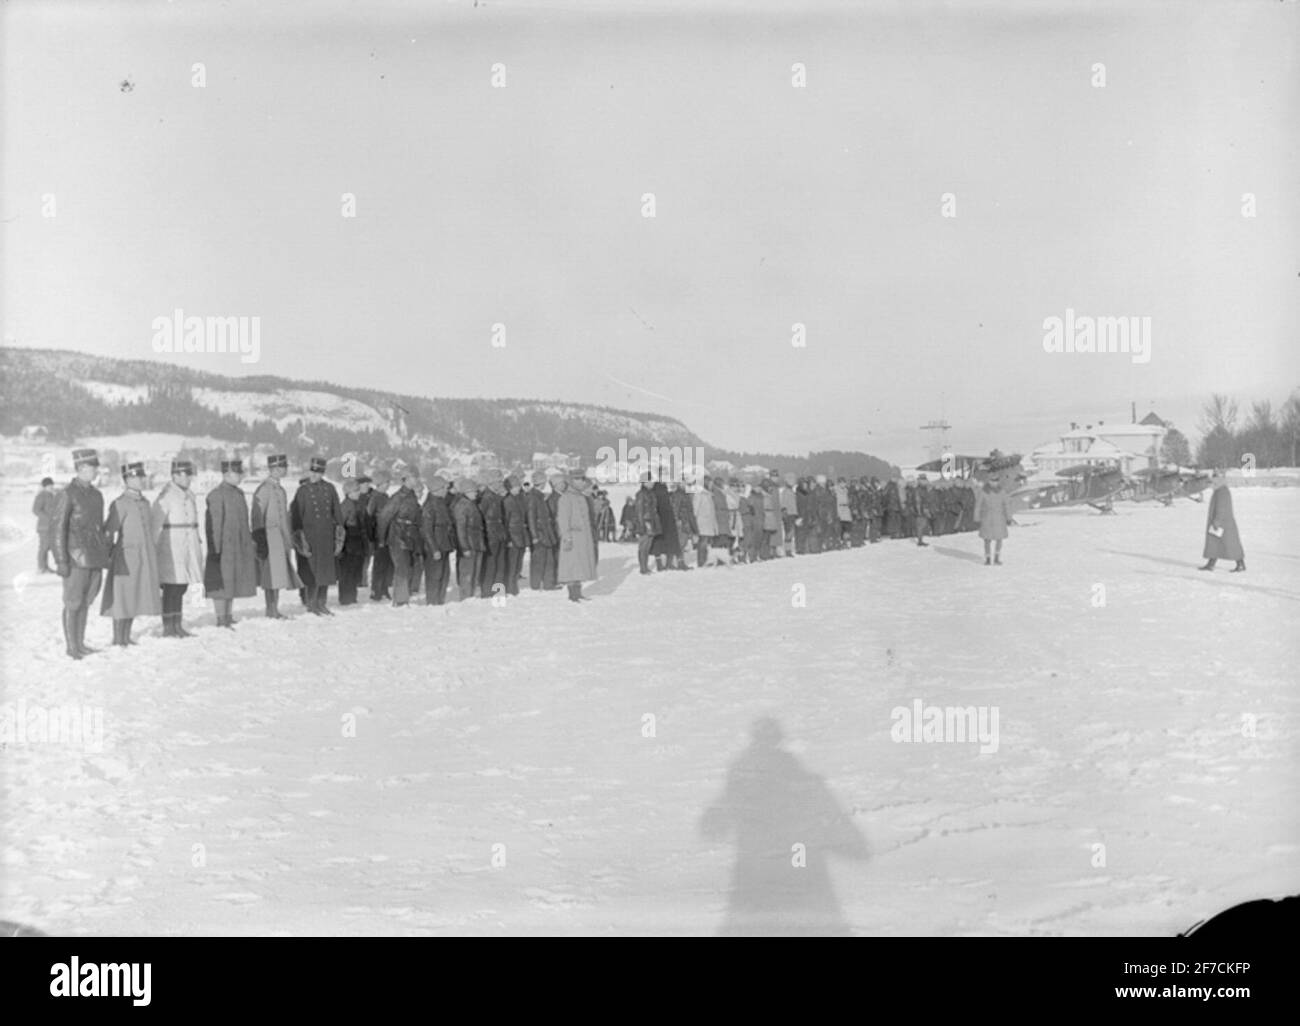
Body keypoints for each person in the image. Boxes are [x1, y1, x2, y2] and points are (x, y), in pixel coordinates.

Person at [53, 449, 110, 659]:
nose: (95, 471)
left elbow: (98, 529)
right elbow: (57, 529)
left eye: (95, 468)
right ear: (81, 468)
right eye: (92, 468)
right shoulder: (67, 494)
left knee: (86, 602)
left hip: (94, 558)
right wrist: (61, 560)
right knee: (73, 602)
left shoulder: (97, 495)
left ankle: (81, 643)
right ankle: (71, 647)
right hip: (75, 558)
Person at [101, 461, 162, 647]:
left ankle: (126, 636)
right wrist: (110, 555)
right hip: (125, 558)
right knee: (122, 598)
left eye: (141, 477)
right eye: (136, 477)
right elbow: (108, 531)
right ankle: (118, 638)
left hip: (144, 557)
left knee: (134, 595)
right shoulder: (120, 503)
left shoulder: (144, 502)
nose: (141, 480)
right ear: (127, 480)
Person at [204, 458, 258, 626]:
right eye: (237, 473)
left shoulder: (238, 493)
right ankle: (221, 617)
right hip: (223, 547)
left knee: (232, 579)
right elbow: (214, 524)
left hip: (238, 545)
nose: (241, 476)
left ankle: (228, 615)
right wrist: (216, 549)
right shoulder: (216, 495)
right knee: (221, 582)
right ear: (227, 474)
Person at [153, 458, 203, 637]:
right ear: (174, 476)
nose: (188, 478)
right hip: (171, 547)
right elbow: (154, 525)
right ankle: (168, 626)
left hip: (189, 545)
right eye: (185, 475)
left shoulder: (189, 495)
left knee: (182, 586)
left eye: (190, 475)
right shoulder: (166, 496)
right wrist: (153, 549)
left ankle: (177, 624)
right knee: (171, 587)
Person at [291, 455, 343, 615]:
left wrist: (339, 534)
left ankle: (322, 603)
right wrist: (300, 539)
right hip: (310, 537)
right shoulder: (302, 491)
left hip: (326, 537)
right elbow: (296, 517)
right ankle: (311, 603)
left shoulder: (330, 489)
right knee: (311, 572)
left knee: (326, 572)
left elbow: (337, 514)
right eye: (312, 471)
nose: (314, 475)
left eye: (318, 472)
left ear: (323, 473)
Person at [251, 453, 301, 620]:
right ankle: (270, 609)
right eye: (276, 469)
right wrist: (260, 540)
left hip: (281, 537)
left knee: (279, 575)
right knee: (270, 576)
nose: (280, 471)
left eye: (282, 468)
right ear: (271, 469)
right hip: (269, 536)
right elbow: (257, 517)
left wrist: (288, 538)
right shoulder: (264, 489)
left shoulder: (280, 489)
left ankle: (275, 608)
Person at [375, 466, 424, 606]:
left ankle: (404, 596)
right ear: (406, 479)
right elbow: (384, 517)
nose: (416, 480)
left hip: (410, 536)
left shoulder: (412, 496)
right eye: (414, 477)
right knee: (401, 568)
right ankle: (400, 600)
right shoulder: (398, 497)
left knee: (409, 567)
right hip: (398, 536)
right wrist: (382, 539)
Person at [557, 474, 598, 601]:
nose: (581, 483)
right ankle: (572, 594)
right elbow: (563, 519)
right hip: (573, 537)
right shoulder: (565, 498)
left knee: (580, 565)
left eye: (582, 480)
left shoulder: (581, 497)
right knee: (572, 566)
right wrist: (567, 536)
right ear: (572, 482)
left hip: (583, 538)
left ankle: (578, 592)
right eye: (578, 480)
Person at [1199, 470, 1245, 572]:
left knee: (1230, 544)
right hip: (1222, 523)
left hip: (1223, 524)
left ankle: (1240, 564)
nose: (1212, 482)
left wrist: (1217, 521)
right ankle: (1211, 564)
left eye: (1214, 479)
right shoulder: (1220, 490)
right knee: (1215, 543)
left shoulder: (1222, 491)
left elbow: (1222, 508)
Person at [420, 474, 456, 605]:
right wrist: (434, 549)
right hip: (435, 547)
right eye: (444, 487)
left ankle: (440, 600)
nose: (446, 490)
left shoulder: (441, 503)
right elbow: (426, 530)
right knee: (434, 576)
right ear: (437, 489)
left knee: (444, 575)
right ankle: (433, 601)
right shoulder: (429, 506)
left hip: (444, 544)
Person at [452, 478, 486, 600]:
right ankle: (466, 597)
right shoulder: (461, 506)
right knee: (467, 573)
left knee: (475, 572)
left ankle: (471, 595)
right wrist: (464, 547)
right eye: (473, 491)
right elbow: (460, 529)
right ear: (466, 491)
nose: (476, 494)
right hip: (469, 545)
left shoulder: (471, 504)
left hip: (476, 543)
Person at [336, 478, 369, 605]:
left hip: (357, 542)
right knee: (347, 572)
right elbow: (340, 526)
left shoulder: (357, 504)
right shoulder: (345, 506)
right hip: (348, 542)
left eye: (358, 490)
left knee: (355, 571)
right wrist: (340, 546)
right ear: (348, 492)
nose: (358, 493)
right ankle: (345, 597)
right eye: (355, 491)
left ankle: (352, 596)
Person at [525, 470, 558, 590]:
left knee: (549, 560)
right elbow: (531, 518)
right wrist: (534, 536)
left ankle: (549, 585)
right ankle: (535, 585)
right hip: (540, 534)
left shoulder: (540, 496)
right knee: (538, 561)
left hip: (546, 533)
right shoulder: (533, 497)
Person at [367, 469, 394, 601]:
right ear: (381, 483)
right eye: (386, 482)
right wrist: (373, 536)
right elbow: (369, 517)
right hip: (379, 536)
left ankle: (384, 589)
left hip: (388, 535)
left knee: (386, 564)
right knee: (379, 565)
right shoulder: (375, 497)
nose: (388, 484)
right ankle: (376, 590)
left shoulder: (386, 497)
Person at [974, 476, 1012, 565]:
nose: (994, 483)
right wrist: (977, 518)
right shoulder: (983, 492)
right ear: (989, 481)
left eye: (996, 481)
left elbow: (1006, 505)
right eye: (992, 480)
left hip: (999, 519)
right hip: (987, 519)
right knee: (987, 540)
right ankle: (988, 558)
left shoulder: (1002, 492)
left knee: (999, 539)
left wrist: (1008, 517)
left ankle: (996, 558)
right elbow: (978, 506)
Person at [502, 475, 528, 596]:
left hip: (521, 536)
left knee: (518, 564)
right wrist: (508, 539)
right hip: (513, 537)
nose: (518, 488)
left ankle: (514, 586)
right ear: (509, 488)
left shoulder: (520, 499)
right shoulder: (507, 501)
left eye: (519, 486)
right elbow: (505, 522)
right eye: (516, 486)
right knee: (511, 564)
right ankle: (510, 587)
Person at [634, 473, 660, 574]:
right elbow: (639, 511)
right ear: (645, 482)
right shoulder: (641, 494)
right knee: (643, 546)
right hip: (645, 523)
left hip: (651, 522)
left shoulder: (651, 493)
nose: (652, 482)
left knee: (648, 546)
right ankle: (643, 568)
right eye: (650, 481)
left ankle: (645, 567)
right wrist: (641, 525)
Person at [692, 474, 720, 567]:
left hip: (708, 522)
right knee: (702, 542)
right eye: (710, 482)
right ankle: (701, 561)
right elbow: (695, 508)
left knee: (706, 542)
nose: (711, 485)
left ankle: (705, 560)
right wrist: (694, 523)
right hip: (702, 522)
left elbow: (712, 511)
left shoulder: (709, 495)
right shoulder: (699, 494)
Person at [670, 480, 697, 570]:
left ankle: (679, 562)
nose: (687, 485)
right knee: (681, 543)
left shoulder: (686, 494)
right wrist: (677, 520)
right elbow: (675, 508)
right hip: (681, 522)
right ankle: (677, 563)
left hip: (686, 521)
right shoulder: (678, 494)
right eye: (686, 483)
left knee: (683, 543)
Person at [32, 477, 57, 573]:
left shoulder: (52, 495)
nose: (51, 487)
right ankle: (41, 567)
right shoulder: (41, 496)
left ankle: (45, 567)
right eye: (49, 486)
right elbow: (36, 510)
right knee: (44, 547)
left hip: (51, 527)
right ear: (44, 486)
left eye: (52, 485)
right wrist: (48, 518)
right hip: (44, 527)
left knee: (47, 547)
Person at [912, 473, 932, 548]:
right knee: (920, 525)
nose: (925, 481)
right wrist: (920, 511)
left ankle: (920, 539)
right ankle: (920, 541)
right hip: (921, 510)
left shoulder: (924, 488)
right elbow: (918, 501)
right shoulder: (919, 489)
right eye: (923, 480)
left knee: (922, 525)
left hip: (923, 509)